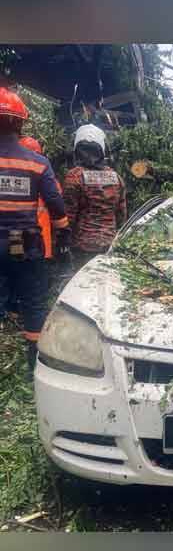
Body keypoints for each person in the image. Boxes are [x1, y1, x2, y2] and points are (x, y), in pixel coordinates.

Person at [0, 87, 70, 374]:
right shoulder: (37, 162)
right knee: (33, 300)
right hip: (22, 243)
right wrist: (63, 233)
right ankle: (33, 367)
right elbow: (54, 202)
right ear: (20, 123)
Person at [62, 124, 127, 267]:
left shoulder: (74, 176)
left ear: (77, 149)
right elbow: (122, 215)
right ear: (102, 150)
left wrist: (61, 244)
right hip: (110, 244)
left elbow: (68, 217)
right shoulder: (116, 177)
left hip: (83, 246)